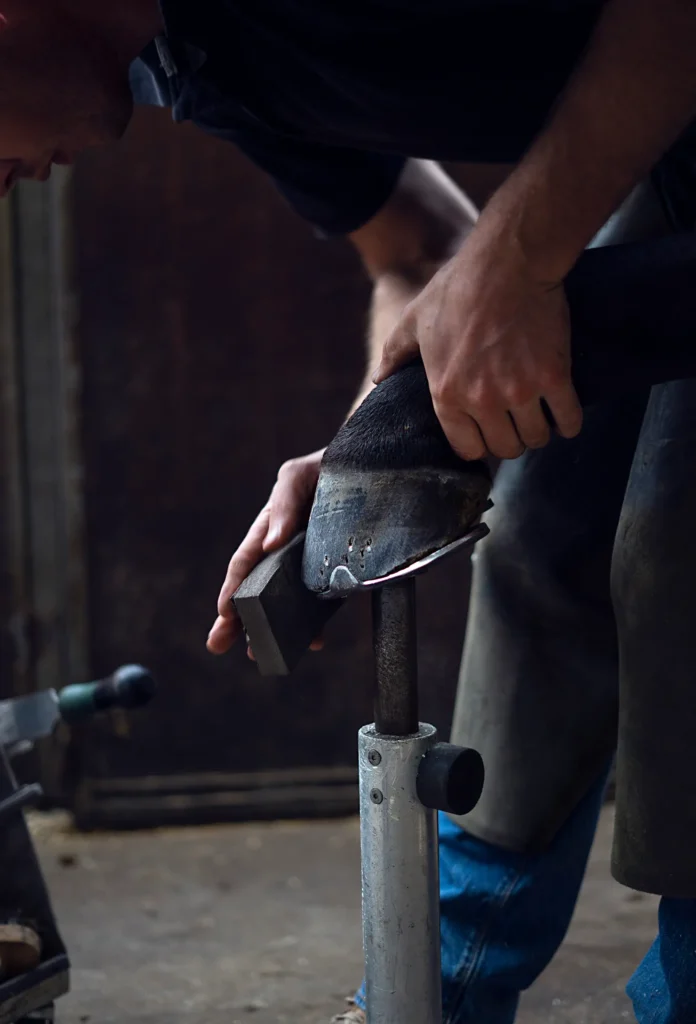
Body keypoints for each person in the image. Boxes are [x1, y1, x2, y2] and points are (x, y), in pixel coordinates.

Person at [4, 1, 696, 1020]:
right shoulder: (189, 66)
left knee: (673, 545)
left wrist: (511, 264)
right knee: (541, 534)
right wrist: (375, 447)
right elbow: (417, 250)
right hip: (671, 156)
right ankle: (436, 987)